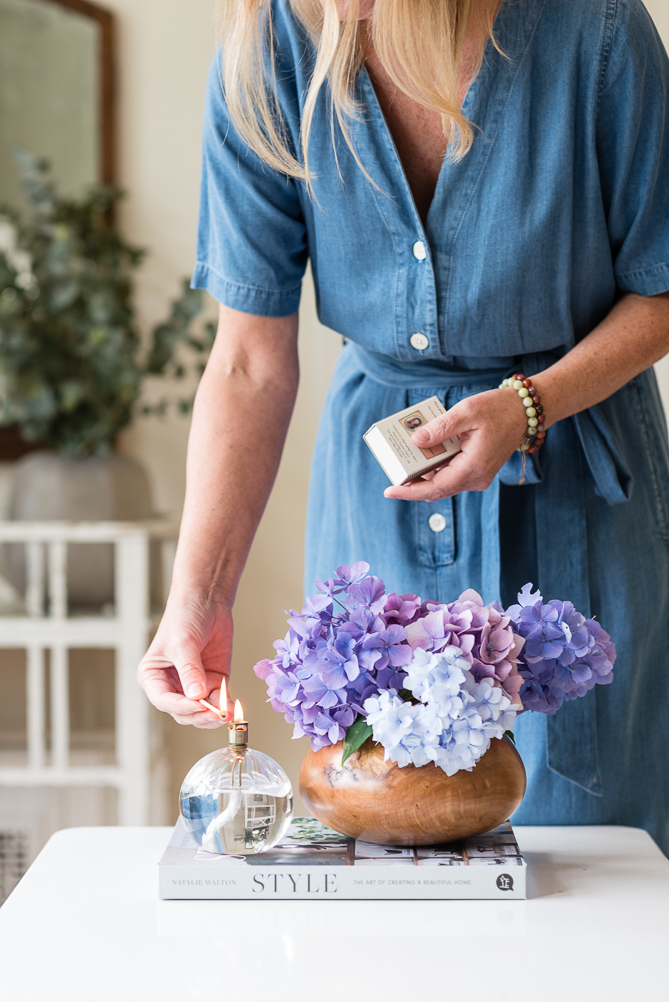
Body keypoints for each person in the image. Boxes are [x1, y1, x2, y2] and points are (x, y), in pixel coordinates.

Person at [138, 0, 669, 852]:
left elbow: (661, 284)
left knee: (591, 859)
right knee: (386, 838)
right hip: (376, 515)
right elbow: (248, 361)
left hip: (579, 488)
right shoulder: (264, 50)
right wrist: (196, 600)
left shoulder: (595, 29)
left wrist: (530, 404)